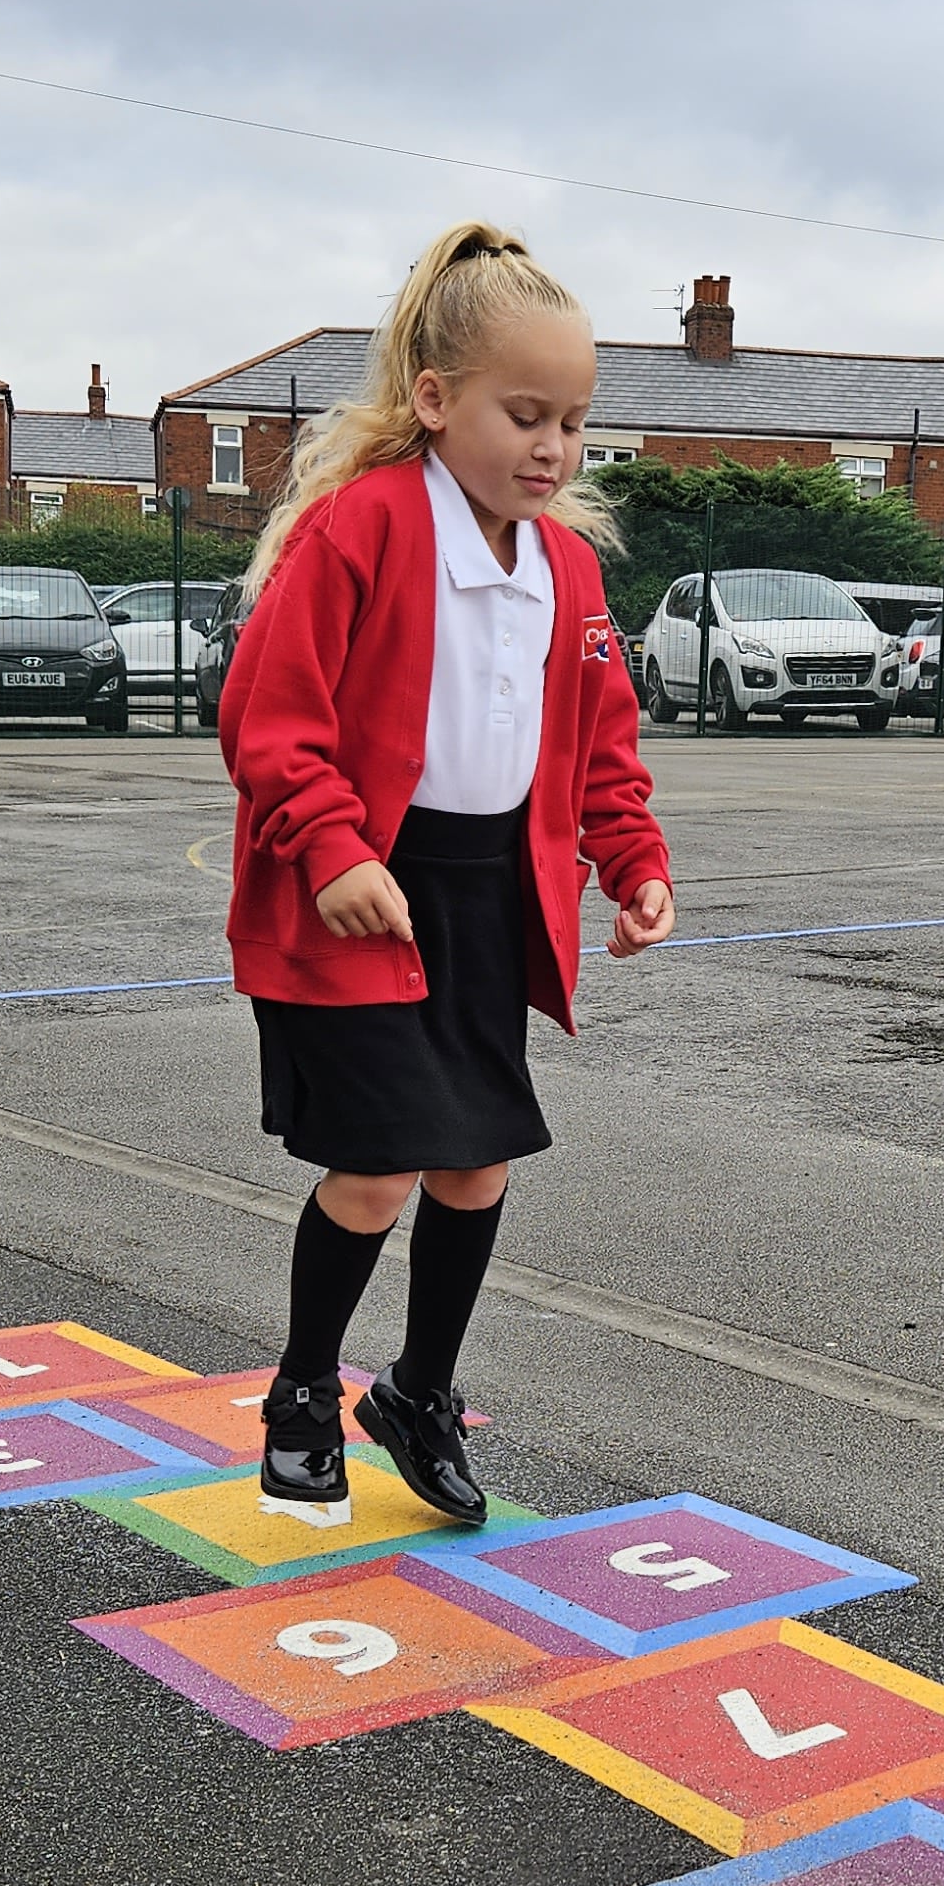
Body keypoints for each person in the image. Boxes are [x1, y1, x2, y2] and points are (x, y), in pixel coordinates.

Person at [216, 221, 676, 1527]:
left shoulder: (569, 570)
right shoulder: (361, 529)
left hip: (486, 897)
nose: (554, 448)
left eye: (574, 422)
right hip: (361, 896)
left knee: (476, 1168)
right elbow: (270, 713)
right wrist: (331, 845)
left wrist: (630, 859)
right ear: (434, 400)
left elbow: (597, 748)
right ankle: (306, 1391)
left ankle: (418, 1390)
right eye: (525, 413)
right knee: (374, 1171)